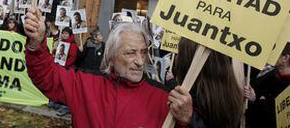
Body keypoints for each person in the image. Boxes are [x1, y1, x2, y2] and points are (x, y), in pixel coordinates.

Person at [24, 7, 195, 127]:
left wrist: (185, 120)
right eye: (130, 53)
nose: (140, 61)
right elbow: (46, 76)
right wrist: (36, 42)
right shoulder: (86, 84)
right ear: (111, 57)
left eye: (143, 53)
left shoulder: (163, 98)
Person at [173, 37, 243, 128]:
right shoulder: (231, 92)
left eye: (179, 53)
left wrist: (191, 119)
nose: (176, 58)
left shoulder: (189, 100)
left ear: (187, 61)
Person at [244, 43, 290, 128]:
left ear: (285, 58)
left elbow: (275, 118)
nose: (270, 54)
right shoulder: (272, 73)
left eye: (275, 53)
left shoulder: (287, 87)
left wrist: (257, 100)